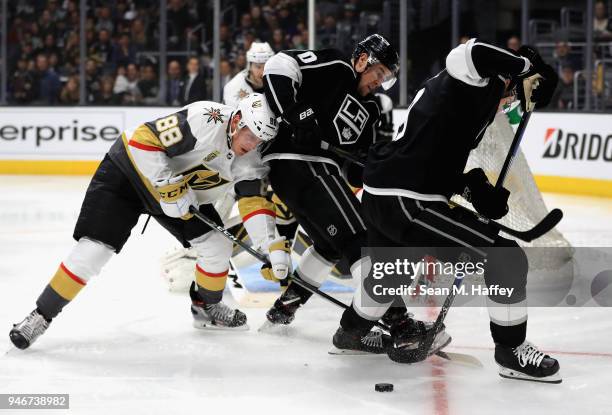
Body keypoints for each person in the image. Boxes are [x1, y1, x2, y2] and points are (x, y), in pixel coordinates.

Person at [335, 39, 561, 383]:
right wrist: (529, 68)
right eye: (517, 93)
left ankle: (350, 333)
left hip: (385, 194)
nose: (513, 102)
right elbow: (469, 52)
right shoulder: (471, 76)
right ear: (510, 76)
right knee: (506, 259)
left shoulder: (472, 103)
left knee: (390, 273)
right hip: (407, 200)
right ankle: (511, 351)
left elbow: (433, 157)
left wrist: (473, 188)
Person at [9, 93, 290, 350]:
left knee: (217, 246)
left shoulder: (252, 157)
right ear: (237, 120)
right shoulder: (207, 117)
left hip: (180, 195)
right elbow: (143, 139)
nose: (253, 145)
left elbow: (252, 201)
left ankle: (206, 306)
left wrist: (271, 245)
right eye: (251, 135)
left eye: (260, 141)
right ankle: (40, 316)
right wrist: (167, 185)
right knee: (94, 251)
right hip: (129, 173)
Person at [259, 34, 438, 354]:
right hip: (298, 163)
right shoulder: (338, 67)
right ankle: (398, 323)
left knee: (329, 245)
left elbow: (356, 170)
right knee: (361, 237)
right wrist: (295, 113)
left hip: (318, 171)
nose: (378, 83)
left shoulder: (369, 111)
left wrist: (380, 166)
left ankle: (283, 310)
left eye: (385, 78)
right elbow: (279, 64)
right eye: (378, 73)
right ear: (361, 60)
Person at [223, 42, 275, 107]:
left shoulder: (278, 83)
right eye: (258, 67)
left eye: (267, 66)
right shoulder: (233, 87)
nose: (262, 72)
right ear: (249, 66)